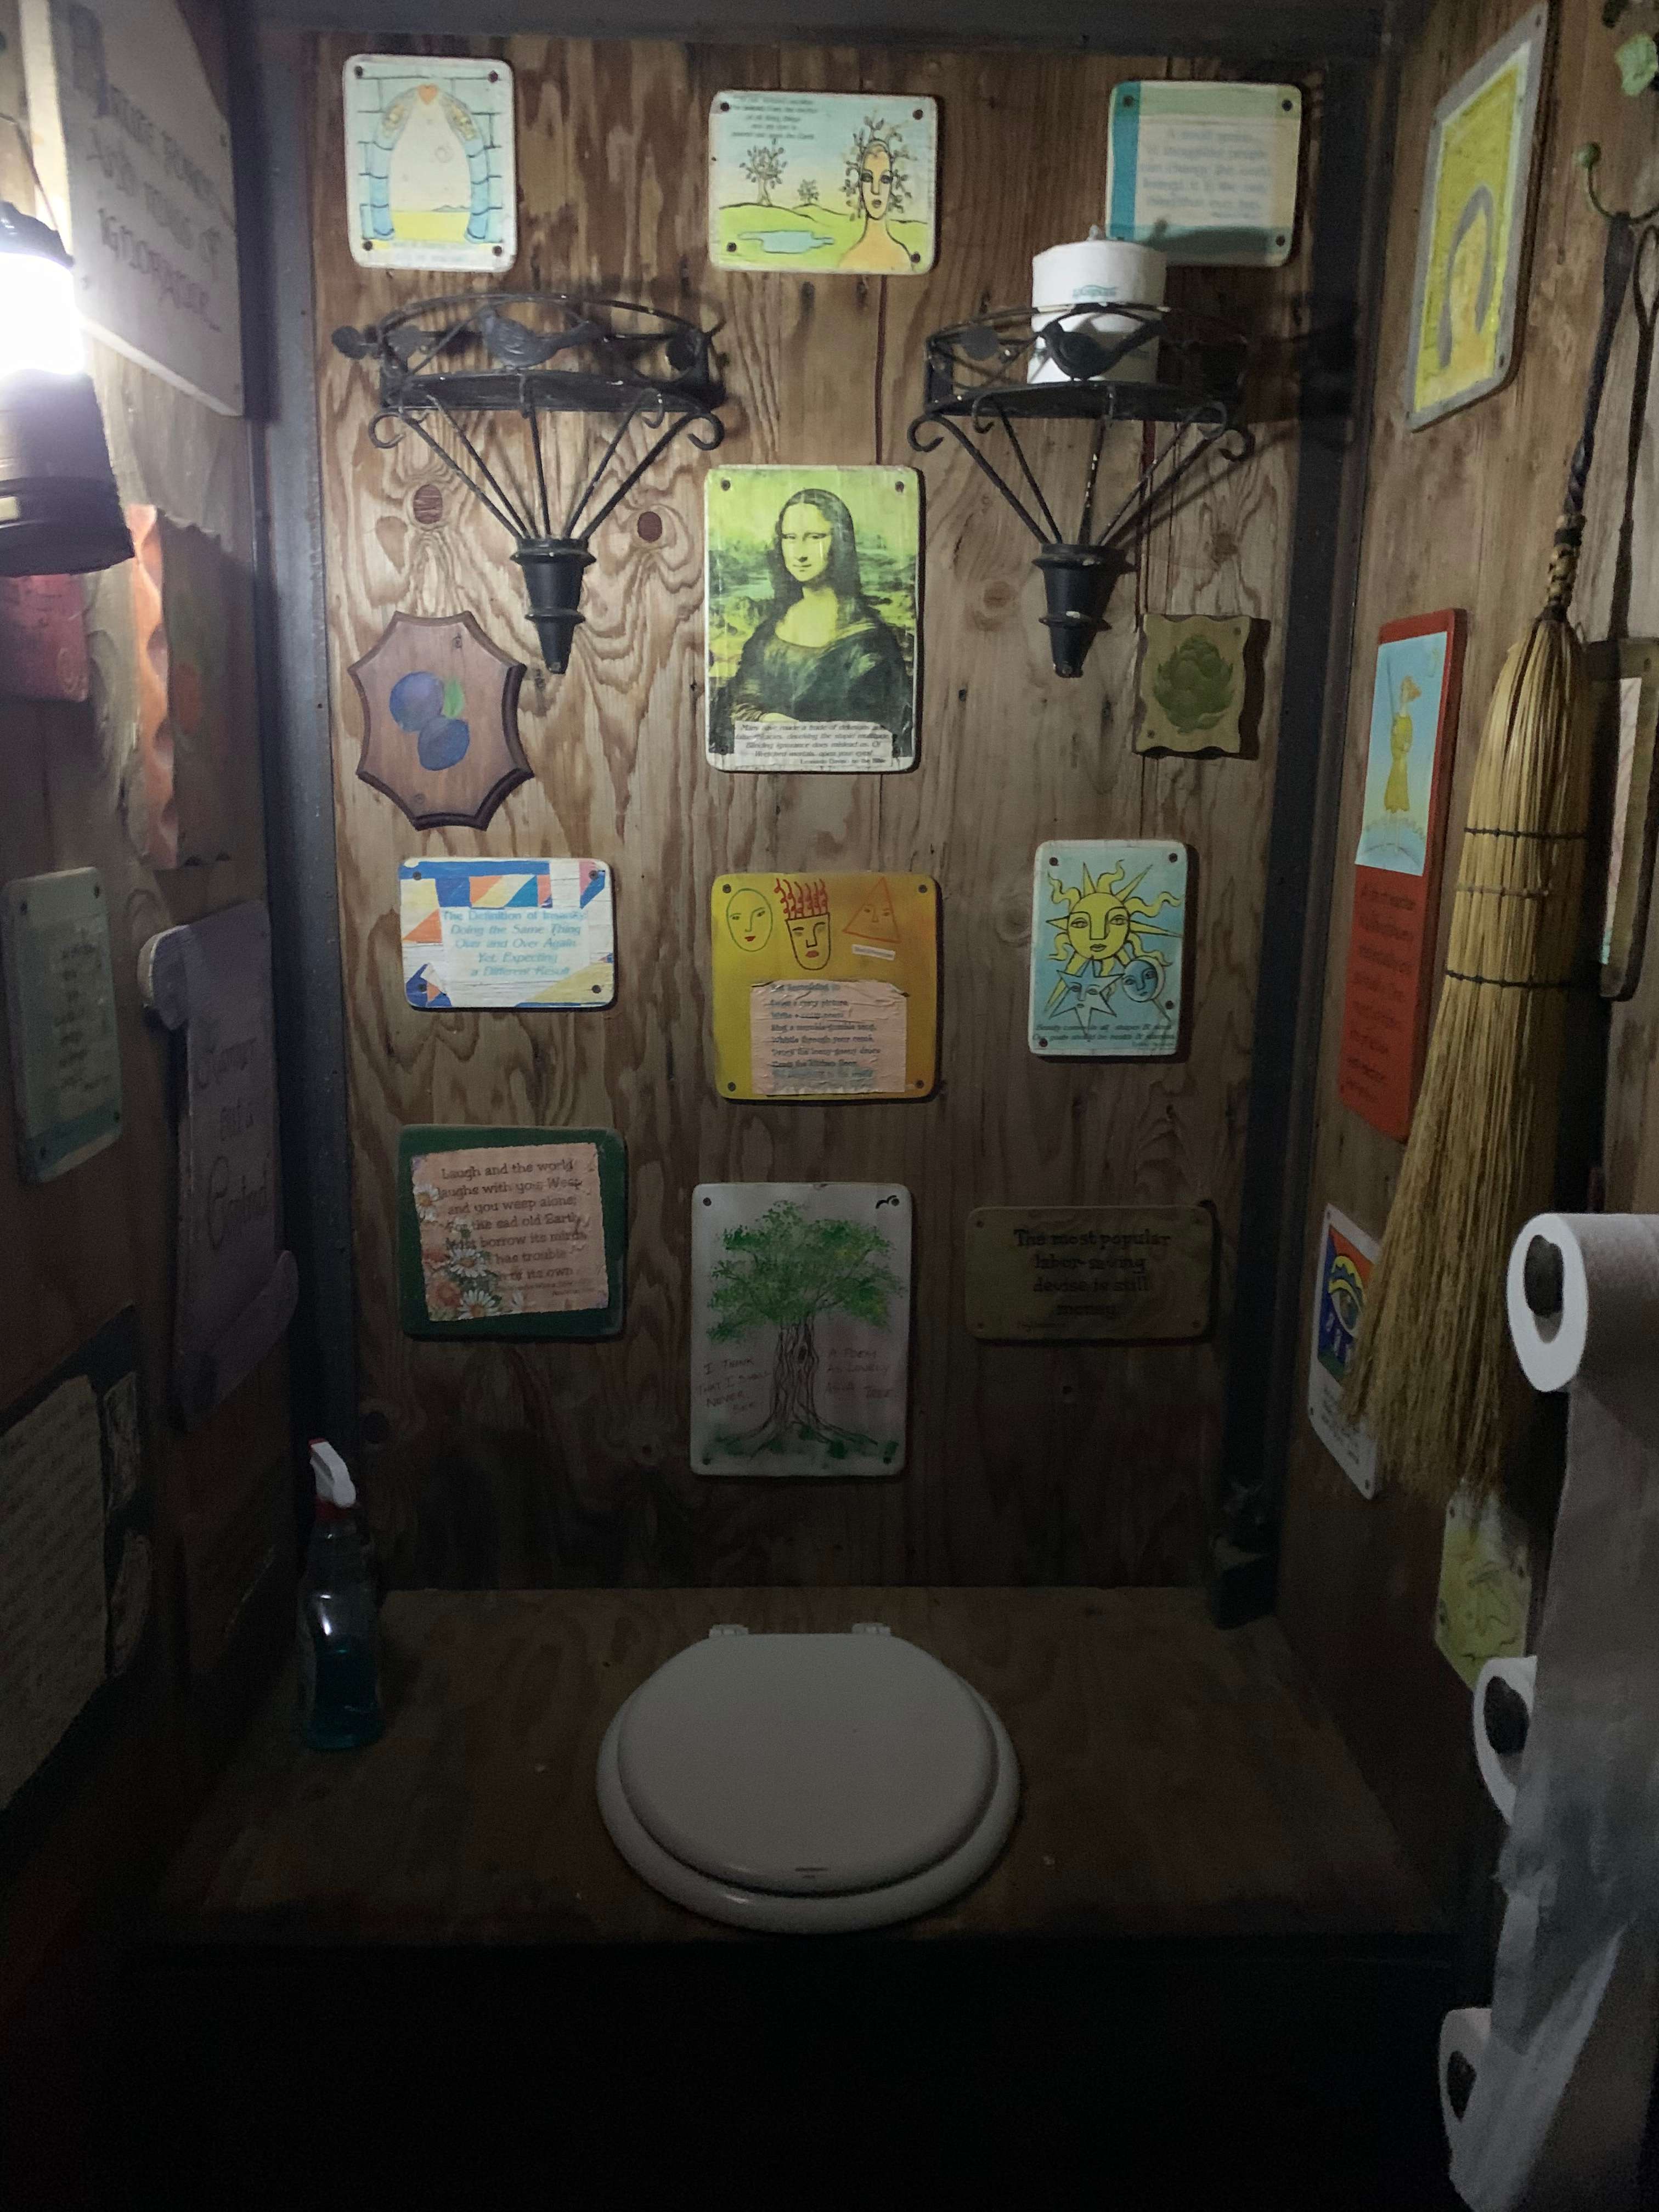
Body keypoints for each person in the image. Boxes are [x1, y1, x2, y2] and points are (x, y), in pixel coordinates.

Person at [710, 488, 912, 755]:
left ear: (840, 542)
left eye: (815, 537)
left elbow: (885, 731)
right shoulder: (768, 634)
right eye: (790, 538)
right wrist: (766, 720)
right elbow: (740, 705)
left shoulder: (871, 642)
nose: (800, 554)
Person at [838, 137, 911, 273]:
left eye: (885, 179)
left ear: (892, 185)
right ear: (860, 185)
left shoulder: (901, 258)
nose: (876, 190)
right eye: (868, 178)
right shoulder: (848, 262)